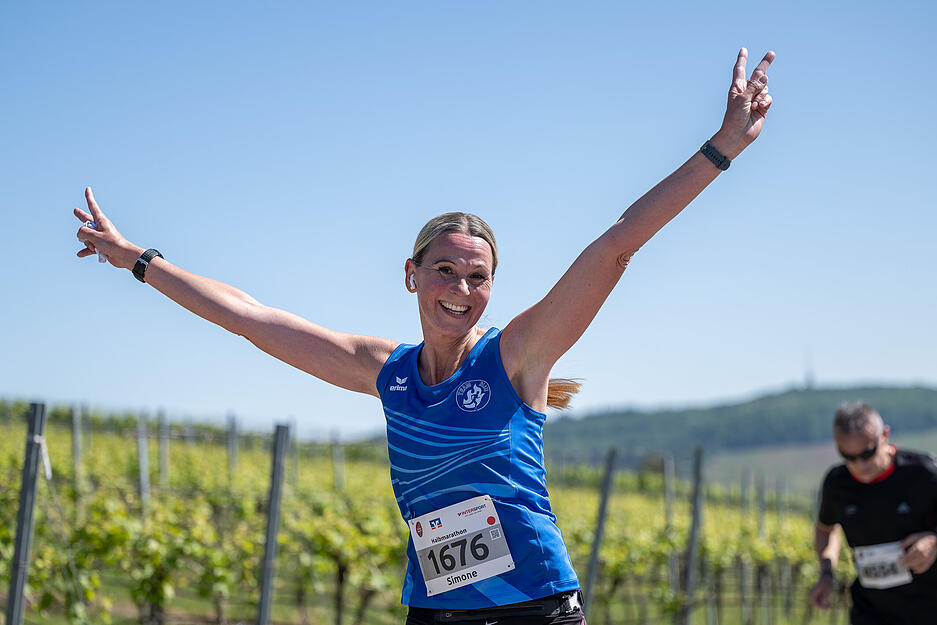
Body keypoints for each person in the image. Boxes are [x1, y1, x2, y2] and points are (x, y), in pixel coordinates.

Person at [75, 48, 775, 625]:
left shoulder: (518, 355)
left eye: (478, 277)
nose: (461, 291)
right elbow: (246, 315)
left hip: (533, 609)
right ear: (412, 275)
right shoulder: (386, 371)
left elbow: (615, 246)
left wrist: (721, 148)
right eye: (445, 271)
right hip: (434, 611)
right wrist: (139, 259)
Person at [808, 402, 937, 625]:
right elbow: (825, 528)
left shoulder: (924, 473)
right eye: (848, 457)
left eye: (867, 454)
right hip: (871, 611)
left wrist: (934, 541)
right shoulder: (837, 483)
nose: (860, 465)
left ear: (885, 435)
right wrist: (827, 573)